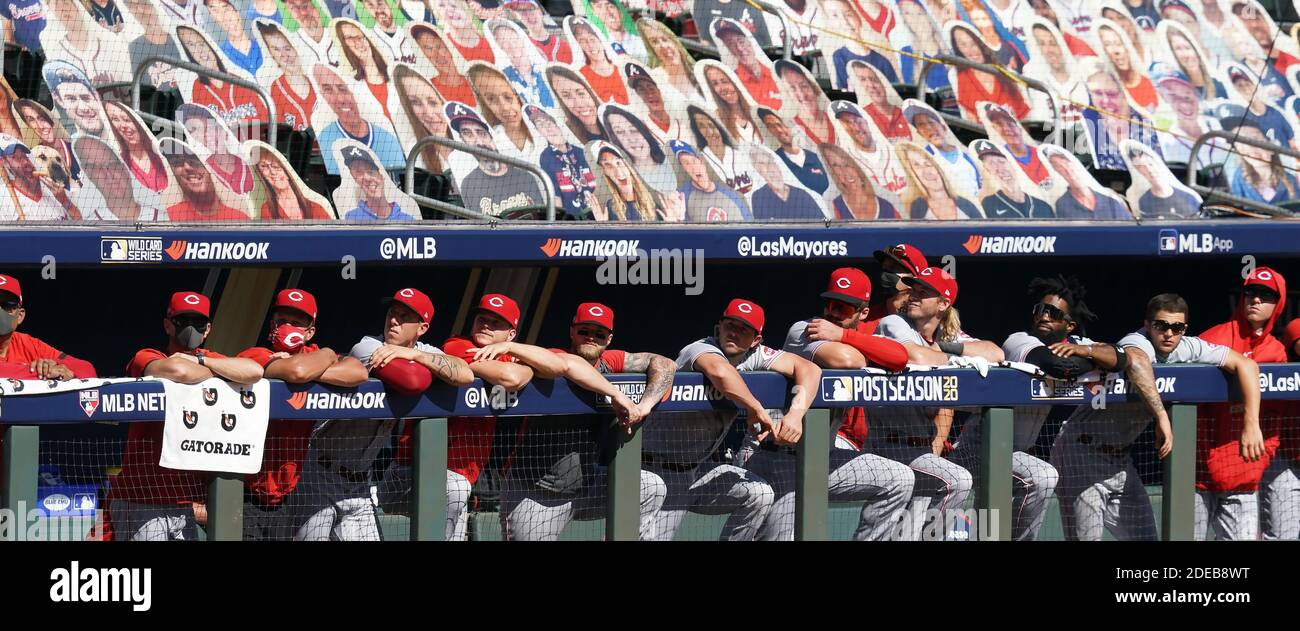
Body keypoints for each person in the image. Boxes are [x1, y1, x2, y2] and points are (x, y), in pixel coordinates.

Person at [1052, 293, 1260, 540]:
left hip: (1119, 461)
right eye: (1161, 326)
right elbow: (1137, 361)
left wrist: (1251, 423)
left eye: (1177, 327)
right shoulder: (1138, 341)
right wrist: (1162, 417)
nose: (1169, 334)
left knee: (1147, 538)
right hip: (1080, 452)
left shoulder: (1188, 346)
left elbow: (1247, 365)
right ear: (1148, 325)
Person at [754, 268, 915, 540]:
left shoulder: (853, 336)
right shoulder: (804, 329)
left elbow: (899, 357)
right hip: (778, 458)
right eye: (830, 303)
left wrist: (846, 337)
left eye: (843, 307)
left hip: (823, 458)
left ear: (863, 313)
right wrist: (867, 351)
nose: (833, 313)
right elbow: (845, 360)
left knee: (898, 478)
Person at [951, 276, 1113, 540]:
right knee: (1043, 476)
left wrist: (1087, 352)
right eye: (1040, 309)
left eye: (1053, 312)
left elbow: (1118, 357)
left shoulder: (1076, 345)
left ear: (1069, 325)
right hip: (980, 445)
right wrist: (1090, 359)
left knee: (985, 528)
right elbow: (1059, 366)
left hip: (1014, 454)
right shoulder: (1020, 340)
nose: (1044, 316)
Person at [500, 302, 671, 540]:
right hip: (536, 493)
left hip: (586, 487)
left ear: (608, 339)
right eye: (584, 331)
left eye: (599, 334)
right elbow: (568, 365)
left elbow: (665, 364)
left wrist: (644, 406)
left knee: (650, 486)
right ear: (572, 331)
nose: (591, 338)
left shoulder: (610, 362)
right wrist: (615, 393)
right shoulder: (553, 357)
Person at [640, 298, 801, 540]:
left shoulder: (754, 356)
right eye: (730, 324)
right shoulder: (699, 348)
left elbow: (809, 369)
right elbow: (720, 371)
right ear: (719, 327)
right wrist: (754, 407)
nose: (734, 332)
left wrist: (796, 414)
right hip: (649, 469)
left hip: (694, 471)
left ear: (756, 340)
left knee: (759, 493)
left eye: (743, 328)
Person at [110, 291, 263, 540]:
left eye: (198, 322)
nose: (191, 328)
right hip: (142, 498)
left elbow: (253, 371)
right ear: (167, 325)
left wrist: (202, 361)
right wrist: (221, 373)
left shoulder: (208, 358)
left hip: (185, 501)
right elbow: (178, 370)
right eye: (183, 321)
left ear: (208, 329)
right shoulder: (147, 356)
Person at [867, 267, 1001, 539]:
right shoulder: (895, 323)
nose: (913, 296)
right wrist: (952, 360)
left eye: (924, 292)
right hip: (888, 446)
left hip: (922, 453)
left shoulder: (946, 337)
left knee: (909, 533)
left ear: (943, 303)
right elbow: (916, 357)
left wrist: (948, 349)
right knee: (957, 479)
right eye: (913, 290)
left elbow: (994, 352)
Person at [237, 289, 369, 540]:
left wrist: (324, 357)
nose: (287, 327)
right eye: (282, 321)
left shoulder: (318, 355)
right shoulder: (254, 355)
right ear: (271, 325)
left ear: (310, 332)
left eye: (296, 322)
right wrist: (309, 366)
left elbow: (358, 372)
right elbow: (297, 372)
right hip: (245, 494)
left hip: (286, 497)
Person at [350, 288, 479, 541]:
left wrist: (415, 354)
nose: (394, 320)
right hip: (321, 465)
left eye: (404, 316)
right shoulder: (368, 346)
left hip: (360, 478)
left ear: (422, 328)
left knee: (456, 491)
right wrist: (426, 364)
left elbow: (465, 374)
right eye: (392, 312)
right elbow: (413, 380)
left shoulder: (421, 349)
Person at [1195, 268, 1287, 540]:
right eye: (1251, 292)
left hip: (1243, 478)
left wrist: (1256, 464)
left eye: (1266, 295)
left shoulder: (1276, 351)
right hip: (1196, 478)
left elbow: (1275, 420)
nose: (1256, 300)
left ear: (1278, 304)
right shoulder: (1214, 338)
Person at [446, 102, 541, 217]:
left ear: (491, 136)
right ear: (462, 140)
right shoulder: (469, 184)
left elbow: (542, 220)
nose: (479, 142)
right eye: (468, 134)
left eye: (481, 133)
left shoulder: (525, 176)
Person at [311, 63, 406, 174]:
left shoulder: (385, 133)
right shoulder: (326, 137)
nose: (340, 99)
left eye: (342, 89)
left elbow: (401, 181)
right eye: (328, 90)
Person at [176, 25, 271, 135]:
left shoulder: (240, 79)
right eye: (191, 45)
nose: (201, 51)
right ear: (188, 54)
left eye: (202, 44)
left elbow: (266, 119)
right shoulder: (197, 89)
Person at [0, 273, 96, 380]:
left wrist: (55, 366)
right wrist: (36, 371)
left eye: (6, 305)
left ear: (20, 316)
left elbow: (87, 369)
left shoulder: (29, 345)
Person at [1082, 62, 1163, 170]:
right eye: (1097, 93)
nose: (1105, 101)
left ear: (1126, 95)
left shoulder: (1150, 125)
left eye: (1112, 94)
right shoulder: (1086, 127)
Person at [529, 105, 598, 218]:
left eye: (550, 123)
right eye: (541, 125)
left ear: (558, 126)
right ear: (539, 133)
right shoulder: (546, 157)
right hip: (572, 219)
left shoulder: (580, 152)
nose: (548, 128)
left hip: (595, 214)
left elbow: (595, 186)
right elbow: (555, 196)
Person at [73, 136, 165, 221]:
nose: (108, 174)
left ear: (125, 169)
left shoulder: (165, 221)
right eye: (96, 168)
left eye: (111, 164)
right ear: (88, 175)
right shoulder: (88, 230)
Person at [950, 22, 1030, 119]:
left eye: (974, 43)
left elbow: (1024, 117)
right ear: (957, 48)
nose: (971, 50)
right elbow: (971, 124)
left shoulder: (1007, 74)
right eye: (963, 45)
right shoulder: (960, 78)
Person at [40, 0, 131, 85]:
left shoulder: (110, 42)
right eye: (57, 6)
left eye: (66, 2)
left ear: (77, 6)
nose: (64, 9)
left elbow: (130, 86)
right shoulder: (56, 54)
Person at [1221, 113, 1299, 206]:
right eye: (1240, 144)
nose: (1250, 149)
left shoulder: (1291, 181)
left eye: (1255, 140)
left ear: (1272, 147)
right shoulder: (1240, 179)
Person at [832, 100, 907, 195]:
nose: (856, 127)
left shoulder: (894, 151)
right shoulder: (846, 163)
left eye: (856, 120)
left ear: (866, 121)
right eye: (847, 122)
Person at [161, 140, 249, 221]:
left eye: (193, 158)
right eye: (177, 161)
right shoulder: (167, 218)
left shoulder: (240, 219)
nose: (187, 166)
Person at [601, 102, 676, 198]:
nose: (631, 138)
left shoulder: (672, 158)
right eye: (620, 132)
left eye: (633, 130)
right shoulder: (627, 180)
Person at [467, 63, 538, 163]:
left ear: (517, 94)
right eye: (491, 99)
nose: (504, 107)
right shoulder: (490, 142)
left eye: (508, 97)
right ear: (485, 104)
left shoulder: (541, 129)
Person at [178, 104, 255, 196]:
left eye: (211, 127)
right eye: (196, 130)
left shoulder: (252, 164)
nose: (205, 134)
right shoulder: (201, 172)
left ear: (225, 130)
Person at [821, 0, 898, 89]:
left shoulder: (882, 61)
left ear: (857, 16)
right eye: (835, 16)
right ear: (830, 22)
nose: (845, 22)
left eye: (848, 14)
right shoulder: (839, 57)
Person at [908, 102, 982, 194]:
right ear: (919, 133)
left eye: (931, 122)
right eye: (921, 125)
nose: (928, 128)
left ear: (943, 126)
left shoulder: (966, 155)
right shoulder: (921, 160)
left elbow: (980, 186)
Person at [897, 141, 983, 219]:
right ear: (910, 175)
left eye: (927, 164)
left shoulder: (966, 205)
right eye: (917, 165)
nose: (928, 171)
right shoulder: (913, 209)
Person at [670, 140, 751, 221]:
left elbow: (750, 228)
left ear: (702, 162)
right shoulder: (681, 197)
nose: (693, 167)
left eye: (694, 161)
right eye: (686, 163)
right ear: (684, 169)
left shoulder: (733, 195)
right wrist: (679, 219)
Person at [393, 63, 453, 174]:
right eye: (415, 102)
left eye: (433, 102)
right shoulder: (415, 153)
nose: (429, 113)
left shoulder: (466, 133)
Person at [251, 143, 335, 220]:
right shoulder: (267, 210)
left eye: (275, 166)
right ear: (262, 176)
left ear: (287, 172)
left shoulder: (316, 207)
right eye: (264, 166)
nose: (272, 172)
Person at [973, 139, 1054, 218]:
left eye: (1002, 162)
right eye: (991, 164)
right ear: (988, 170)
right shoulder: (988, 204)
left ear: (1013, 164)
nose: (1000, 169)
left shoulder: (1043, 206)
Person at [104, 101, 170, 198]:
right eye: (115, 119)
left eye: (126, 119)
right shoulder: (118, 166)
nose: (123, 126)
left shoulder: (164, 155)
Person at [592, 142, 673, 221]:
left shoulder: (653, 205)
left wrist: (674, 224)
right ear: (605, 172)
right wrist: (602, 228)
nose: (618, 172)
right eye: (608, 165)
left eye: (618, 162)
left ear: (626, 165)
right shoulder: (610, 209)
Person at [713, 19, 782, 111]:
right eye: (731, 44)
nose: (740, 48)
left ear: (751, 42)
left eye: (741, 41)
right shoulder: (733, 83)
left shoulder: (779, 73)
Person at [0, 137, 76, 221]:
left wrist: (64, 200)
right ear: (3, 162)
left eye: (24, 156)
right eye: (16, 158)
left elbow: (80, 221)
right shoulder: (3, 200)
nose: (25, 162)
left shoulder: (53, 186)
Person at [1045, 147, 1133, 220]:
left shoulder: (1111, 199)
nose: (1068, 171)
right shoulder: (1062, 204)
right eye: (1059, 167)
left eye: (1068, 164)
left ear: (1076, 164)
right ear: (1056, 172)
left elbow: (1129, 233)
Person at [688, 105, 755, 196]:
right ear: (697, 133)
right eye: (702, 127)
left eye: (711, 125)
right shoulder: (701, 162)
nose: (710, 132)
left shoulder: (741, 155)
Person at [819, 142, 899, 219]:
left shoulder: (887, 206)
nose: (844, 170)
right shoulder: (832, 207)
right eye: (835, 165)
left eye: (846, 164)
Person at [335, 18, 394, 121]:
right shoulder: (352, 89)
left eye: (360, 36)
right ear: (344, 46)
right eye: (350, 38)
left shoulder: (394, 72)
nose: (358, 42)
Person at [758, 109, 829, 195]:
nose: (779, 130)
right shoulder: (775, 160)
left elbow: (824, 185)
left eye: (779, 124)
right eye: (771, 126)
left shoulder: (813, 157)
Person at [339, 146, 419, 221]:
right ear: (356, 181)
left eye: (370, 171)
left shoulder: (408, 220)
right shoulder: (353, 217)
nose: (367, 178)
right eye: (359, 172)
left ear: (381, 177)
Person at [748, 145, 825, 220]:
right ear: (759, 172)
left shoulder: (801, 195)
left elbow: (823, 224)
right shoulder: (759, 197)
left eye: (771, 162)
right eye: (762, 164)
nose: (771, 169)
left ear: (778, 167)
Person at [14, 100, 80, 188]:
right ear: (28, 125)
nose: (40, 126)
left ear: (50, 118)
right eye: (31, 120)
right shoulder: (32, 157)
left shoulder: (77, 149)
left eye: (42, 118)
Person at [489, 19, 554, 108]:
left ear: (522, 39)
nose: (512, 47)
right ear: (499, 48)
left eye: (514, 40)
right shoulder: (503, 77)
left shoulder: (545, 68)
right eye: (504, 43)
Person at [1096, 20, 1159, 112]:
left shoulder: (1150, 81)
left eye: (1118, 44)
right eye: (1108, 44)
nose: (1116, 51)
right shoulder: (1107, 93)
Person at [639, 18, 705, 104]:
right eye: (655, 42)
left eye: (665, 39)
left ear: (676, 41)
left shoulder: (701, 71)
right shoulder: (654, 79)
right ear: (650, 49)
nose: (663, 46)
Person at [1125, 143, 1201, 218]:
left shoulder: (1189, 197)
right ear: (1137, 170)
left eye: (1150, 164)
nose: (1149, 169)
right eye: (1141, 167)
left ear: (1157, 163)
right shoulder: (1143, 201)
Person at [122, 0, 184, 91]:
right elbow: (143, 90)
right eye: (134, 8)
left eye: (144, 4)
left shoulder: (179, 36)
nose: (141, 10)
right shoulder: (135, 48)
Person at [983, 103, 1051, 187]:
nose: (1006, 129)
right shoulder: (1000, 161)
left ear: (1018, 126)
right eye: (999, 124)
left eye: (1009, 123)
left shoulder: (1043, 154)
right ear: (994, 128)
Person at [410, 23, 477, 107]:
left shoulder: (475, 82)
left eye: (439, 46)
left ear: (448, 47)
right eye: (429, 49)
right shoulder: (428, 90)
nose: (437, 54)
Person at [698, 61, 764, 146]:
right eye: (715, 84)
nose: (722, 88)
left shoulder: (757, 109)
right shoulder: (715, 120)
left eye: (725, 81)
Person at [44, 64, 112, 145]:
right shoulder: (69, 151)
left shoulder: (125, 135)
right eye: (71, 99)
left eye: (86, 98)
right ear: (59, 101)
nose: (83, 108)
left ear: (96, 96)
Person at [570, 16, 629, 105]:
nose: (590, 45)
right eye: (582, 41)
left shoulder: (623, 68)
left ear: (601, 39)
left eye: (592, 39)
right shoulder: (580, 76)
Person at [776, 60, 836, 146]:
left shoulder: (838, 123)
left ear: (814, 87)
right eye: (792, 89)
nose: (802, 95)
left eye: (804, 86)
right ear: (787, 95)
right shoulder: (786, 129)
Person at [896, 0, 951, 90]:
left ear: (928, 15)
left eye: (919, 13)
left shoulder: (951, 48)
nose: (916, 20)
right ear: (904, 20)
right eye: (908, 13)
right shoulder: (906, 54)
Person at [624, 63, 685, 144]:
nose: (649, 94)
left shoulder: (682, 120)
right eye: (642, 90)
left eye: (651, 88)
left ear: (659, 91)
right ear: (639, 95)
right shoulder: (641, 130)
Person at [205, 0, 264, 80]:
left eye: (226, 9)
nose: (225, 17)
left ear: (238, 14)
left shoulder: (264, 44)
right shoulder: (219, 57)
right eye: (216, 11)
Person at [547, 65, 607, 143]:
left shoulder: (615, 119)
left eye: (581, 93)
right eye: (566, 96)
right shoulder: (567, 138)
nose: (579, 103)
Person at [852, 62, 909, 142]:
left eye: (874, 79)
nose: (871, 85)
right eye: (863, 80)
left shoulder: (907, 115)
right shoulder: (861, 118)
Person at [693, 0, 773, 47]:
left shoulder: (750, 2)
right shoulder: (702, 3)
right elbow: (705, 41)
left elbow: (766, 38)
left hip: (760, 56)